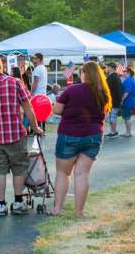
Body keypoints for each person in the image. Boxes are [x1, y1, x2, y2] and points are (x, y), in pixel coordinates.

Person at [0, 55, 43, 216]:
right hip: (15, 134)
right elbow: (28, 108)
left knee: (0, 171)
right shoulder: (15, 82)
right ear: (0, 66)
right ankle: (18, 202)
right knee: (19, 169)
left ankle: (1, 205)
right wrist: (36, 127)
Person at [50, 62, 110, 217]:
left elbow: (56, 109)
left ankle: (57, 208)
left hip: (69, 134)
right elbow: (105, 114)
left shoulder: (72, 90)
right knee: (82, 174)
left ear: (84, 73)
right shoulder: (103, 92)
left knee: (63, 173)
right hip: (93, 136)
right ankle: (79, 212)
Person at [104, 62, 123, 138]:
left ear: (111, 67)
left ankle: (114, 132)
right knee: (112, 117)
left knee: (113, 117)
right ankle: (112, 131)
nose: (106, 68)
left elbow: (107, 88)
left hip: (113, 101)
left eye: (107, 67)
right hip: (115, 100)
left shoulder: (112, 77)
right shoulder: (115, 76)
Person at [120, 68, 135, 137]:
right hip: (131, 100)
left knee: (127, 117)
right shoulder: (132, 79)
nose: (123, 72)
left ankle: (128, 132)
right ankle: (128, 131)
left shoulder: (128, 80)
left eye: (124, 71)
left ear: (128, 72)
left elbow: (127, 92)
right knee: (128, 117)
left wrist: (121, 100)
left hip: (128, 101)